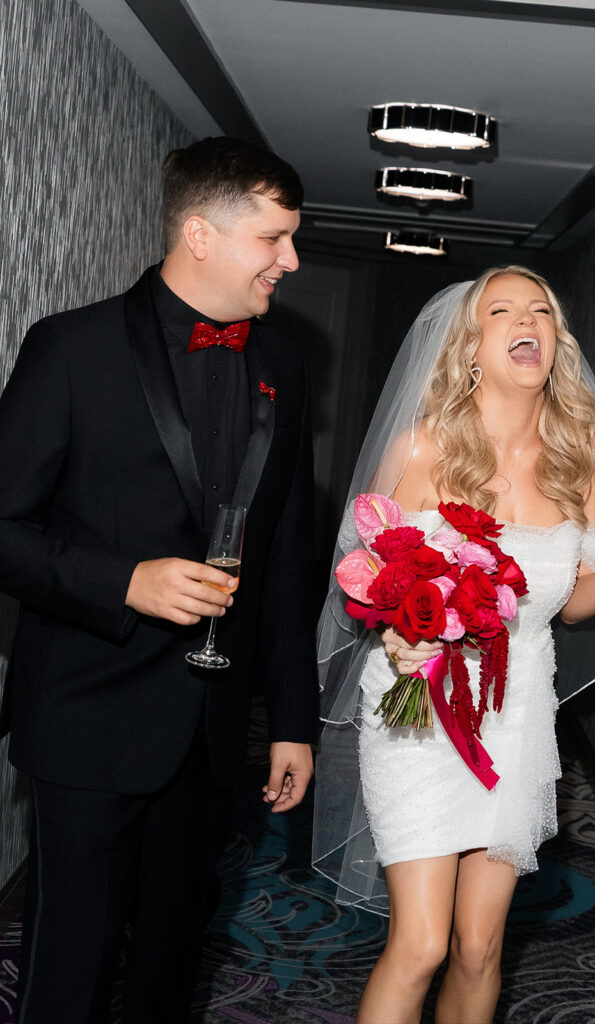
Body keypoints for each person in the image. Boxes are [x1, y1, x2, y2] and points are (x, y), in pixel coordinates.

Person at [0, 136, 319, 1023]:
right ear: (199, 233)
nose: (291, 261)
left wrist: (290, 721)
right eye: (274, 239)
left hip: (212, 729)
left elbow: (288, 553)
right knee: (73, 951)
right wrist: (122, 582)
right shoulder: (71, 348)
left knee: (175, 952)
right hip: (85, 710)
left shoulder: (285, 366)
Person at [313, 266, 595, 1024]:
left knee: (479, 946)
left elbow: (570, 605)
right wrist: (395, 631)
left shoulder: (591, 461)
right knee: (421, 945)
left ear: (555, 340)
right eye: (503, 310)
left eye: (542, 309)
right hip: (419, 711)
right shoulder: (421, 448)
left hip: (515, 718)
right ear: (472, 347)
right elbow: (368, 575)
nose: (529, 321)